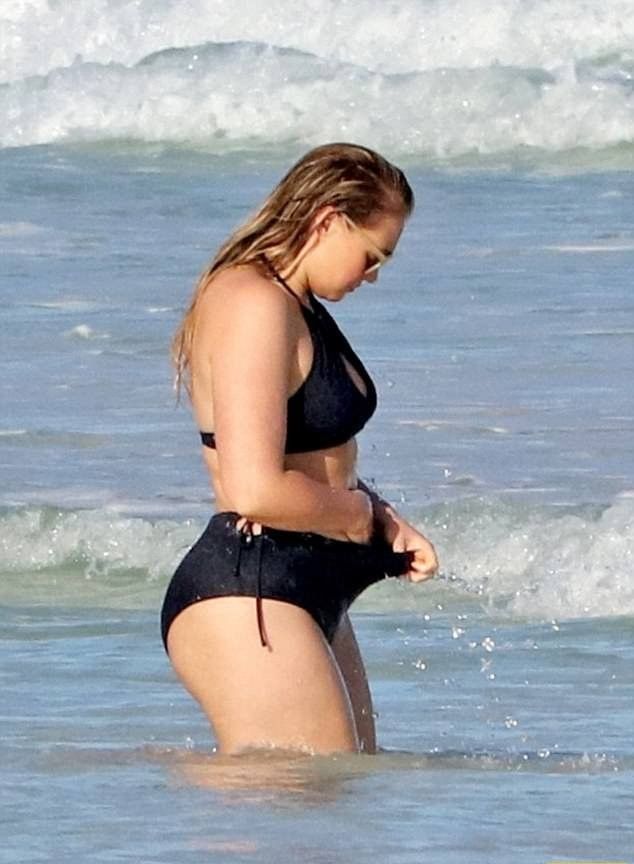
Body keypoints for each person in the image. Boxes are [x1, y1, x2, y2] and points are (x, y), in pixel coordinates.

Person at [160, 142, 438, 756]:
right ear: (329, 220)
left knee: (344, 790)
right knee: (300, 793)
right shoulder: (254, 302)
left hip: (302, 584)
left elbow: (311, 459)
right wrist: (358, 516)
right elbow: (254, 489)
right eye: (372, 256)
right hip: (252, 588)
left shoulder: (294, 301)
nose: (373, 276)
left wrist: (384, 519)